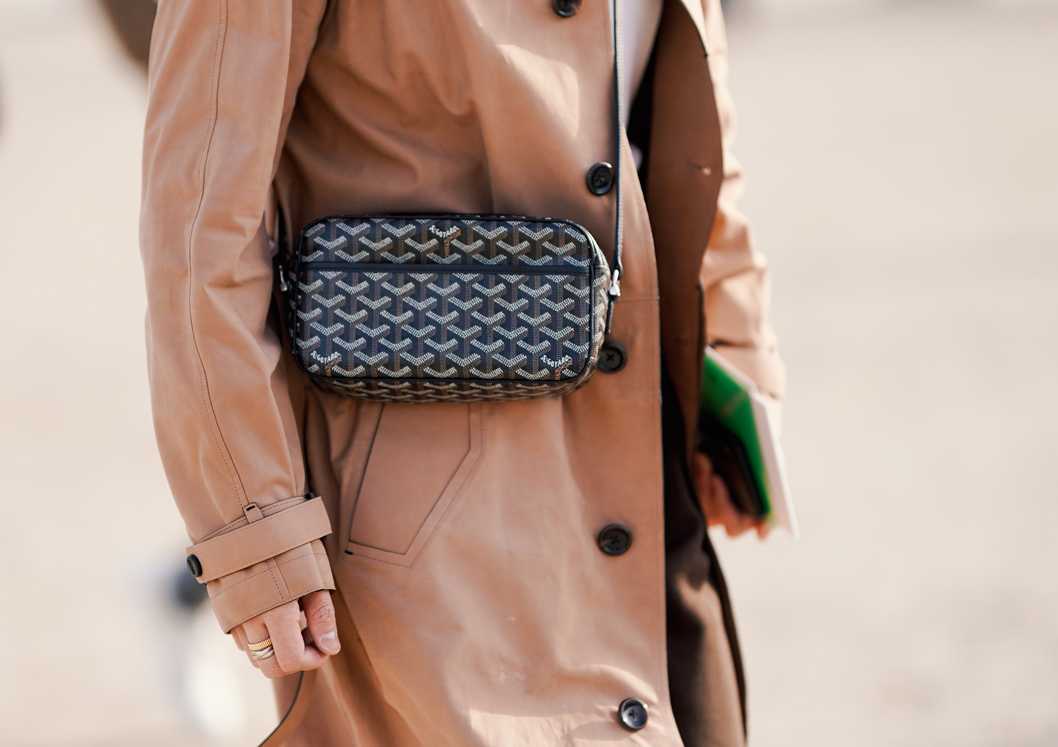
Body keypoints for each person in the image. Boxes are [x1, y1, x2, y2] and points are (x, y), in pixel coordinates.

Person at [139, 1, 784, 745]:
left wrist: (734, 365)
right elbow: (198, 224)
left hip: (647, 467)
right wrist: (251, 526)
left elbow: (689, 101)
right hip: (418, 523)